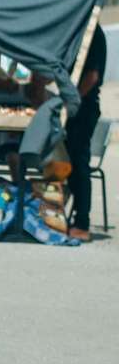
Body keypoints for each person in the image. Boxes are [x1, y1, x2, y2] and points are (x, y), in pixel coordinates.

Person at [66, 25, 106, 242]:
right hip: (74, 105)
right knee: (68, 160)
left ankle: (82, 223)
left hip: (84, 107)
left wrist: (72, 101)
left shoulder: (93, 32)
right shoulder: (76, 28)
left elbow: (92, 76)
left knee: (78, 160)